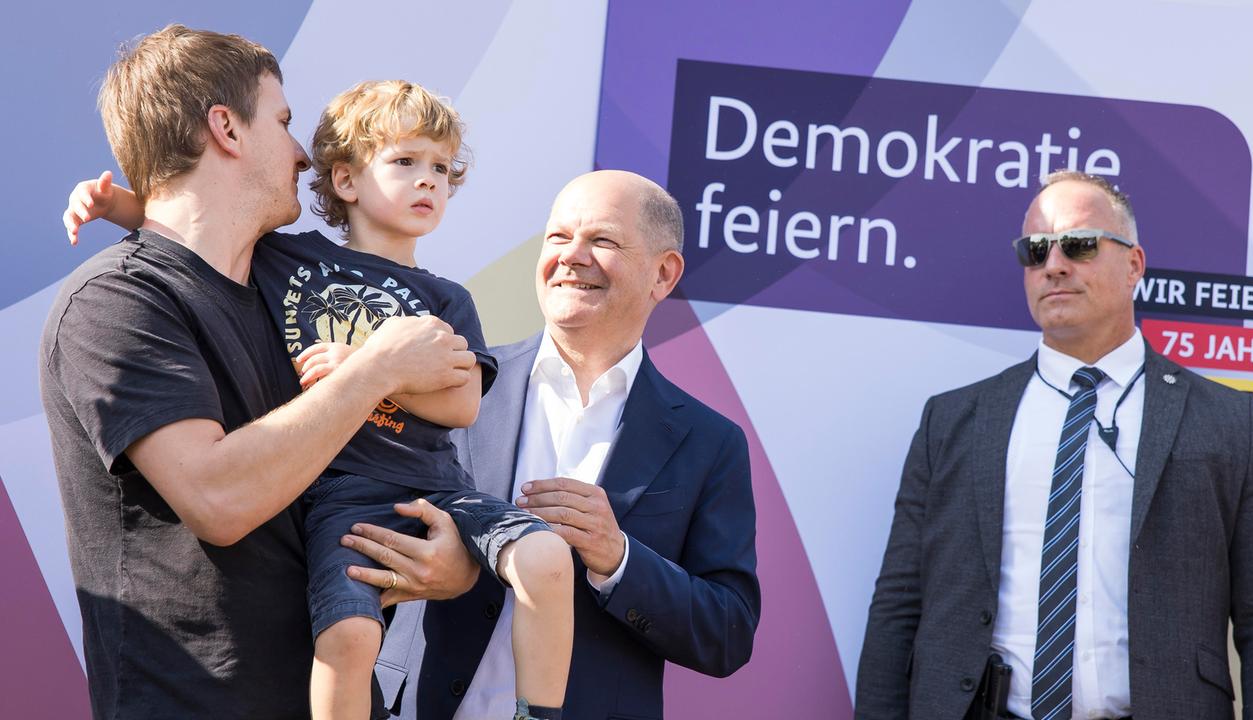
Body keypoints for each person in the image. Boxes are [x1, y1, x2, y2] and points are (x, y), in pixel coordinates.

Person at [64, 79, 575, 720]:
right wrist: (116, 204)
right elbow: (191, 225)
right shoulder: (286, 258)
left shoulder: (449, 299)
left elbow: (463, 404)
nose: (428, 180)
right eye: (405, 161)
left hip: (436, 487)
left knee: (548, 557)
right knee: (350, 637)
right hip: (341, 499)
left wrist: (368, 368)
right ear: (346, 180)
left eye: (442, 168)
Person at [855, 171, 1253, 720]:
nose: (1053, 264)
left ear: (1134, 265)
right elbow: (898, 606)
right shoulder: (954, 421)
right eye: (1035, 250)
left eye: (1079, 244)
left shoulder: (1227, 421)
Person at [354, 170, 762, 719]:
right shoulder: (453, 386)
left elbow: (728, 633)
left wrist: (618, 558)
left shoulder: (710, 443)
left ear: (663, 274)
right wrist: (442, 565)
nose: (572, 256)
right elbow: (355, 531)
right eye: (558, 237)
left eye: (602, 240)